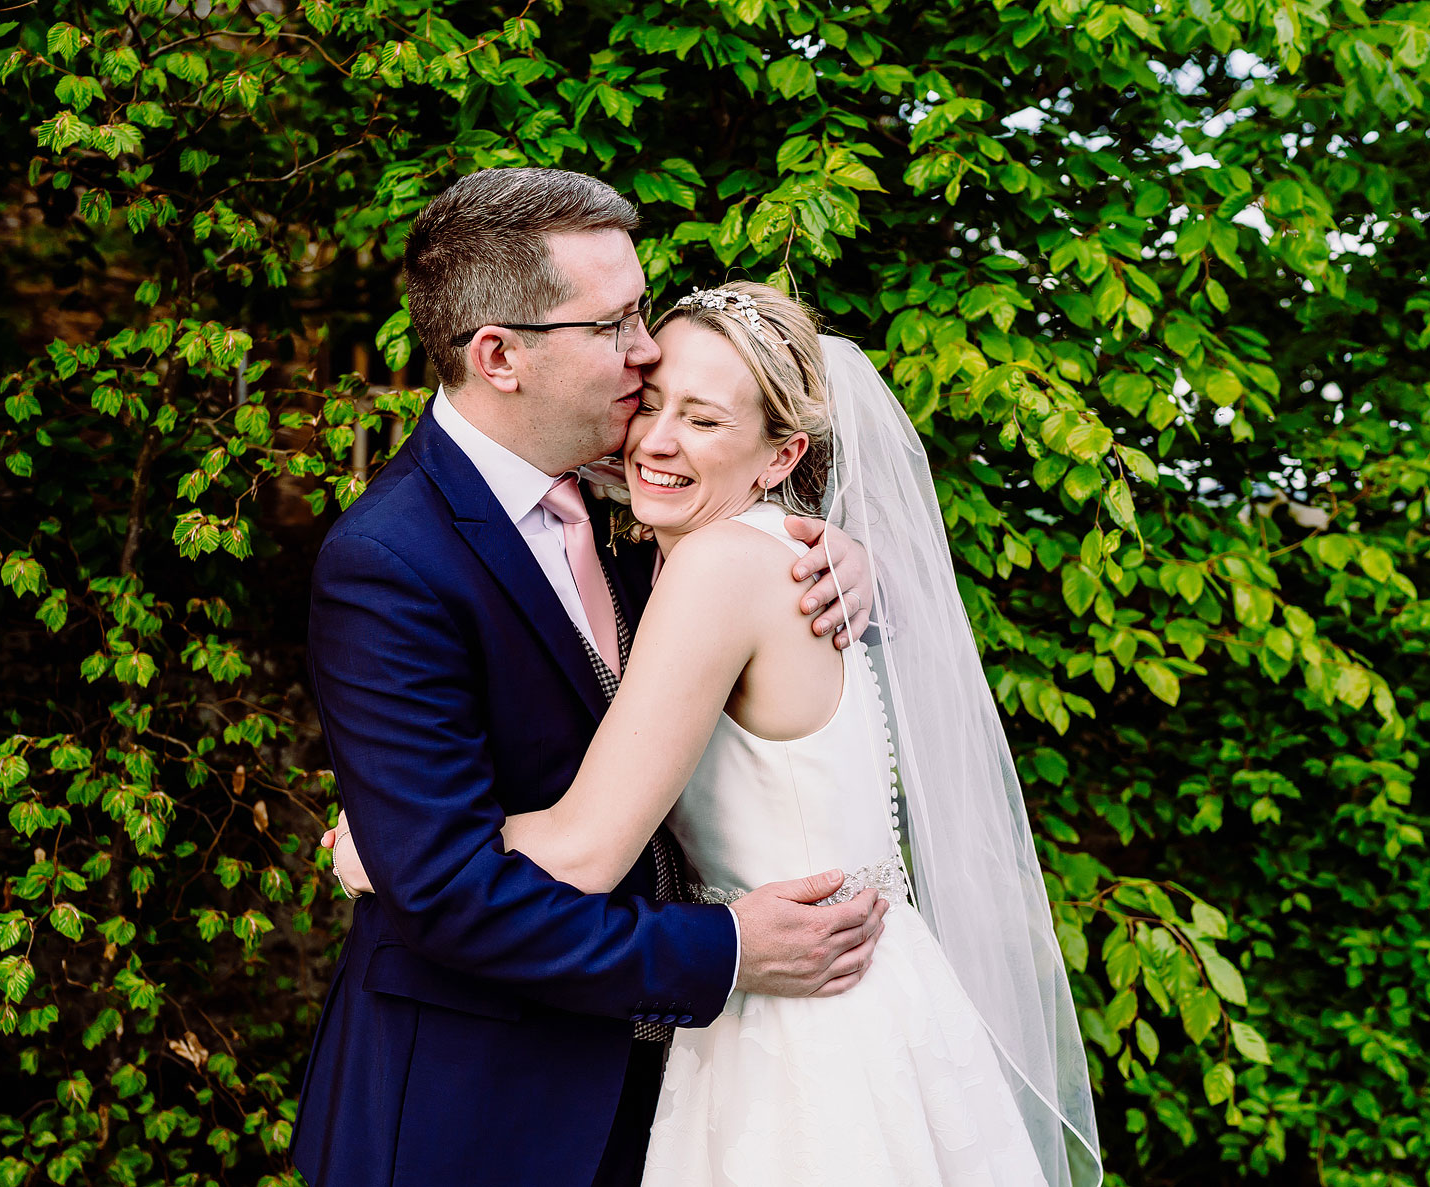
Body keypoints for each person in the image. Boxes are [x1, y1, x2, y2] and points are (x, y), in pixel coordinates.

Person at [329, 281, 1106, 1186]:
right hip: (864, 1002)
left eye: (703, 420)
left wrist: (394, 846)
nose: (657, 440)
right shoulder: (775, 555)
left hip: (797, 1027)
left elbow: (583, 850)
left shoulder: (717, 569)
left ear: (782, 455)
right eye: (649, 404)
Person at [290, 170, 886, 1187]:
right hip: (476, 1109)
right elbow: (452, 894)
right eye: (614, 325)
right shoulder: (388, 564)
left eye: (641, 312)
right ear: (499, 355)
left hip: (681, 1091)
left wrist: (854, 554)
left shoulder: (646, 505)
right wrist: (725, 949)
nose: (645, 348)